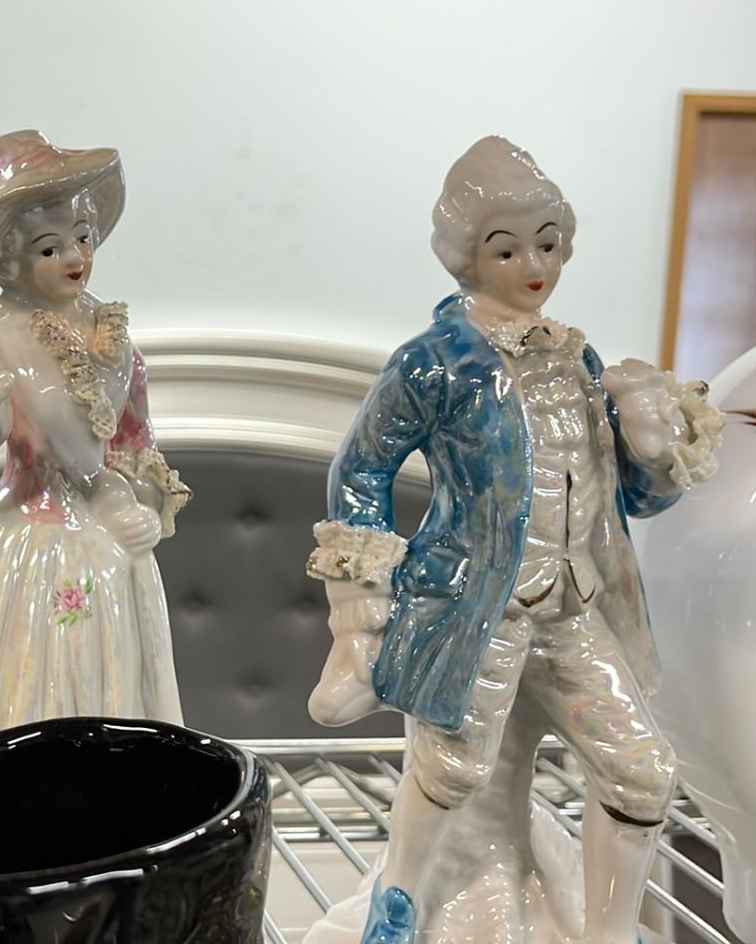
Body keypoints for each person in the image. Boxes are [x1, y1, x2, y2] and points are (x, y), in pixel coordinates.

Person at [305, 138, 722, 943]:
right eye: (507, 248)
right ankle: (398, 905)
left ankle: (609, 932)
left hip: (574, 608)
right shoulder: (434, 364)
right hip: (474, 607)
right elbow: (360, 471)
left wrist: (655, 447)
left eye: (548, 244)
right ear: (468, 255)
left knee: (641, 773)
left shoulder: (578, 359)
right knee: (452, 768)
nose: (534, 265)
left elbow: (629, 500)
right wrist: (363, 615)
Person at [0, 131, 192, 753]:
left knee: (106, 679)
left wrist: (138, 503)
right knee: (20, 678)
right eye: (50, 248)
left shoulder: (118, 348)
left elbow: (137, 451)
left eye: (83, 238)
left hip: (106, 542)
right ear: (12, 261)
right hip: (21, 542)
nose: (74, 257)